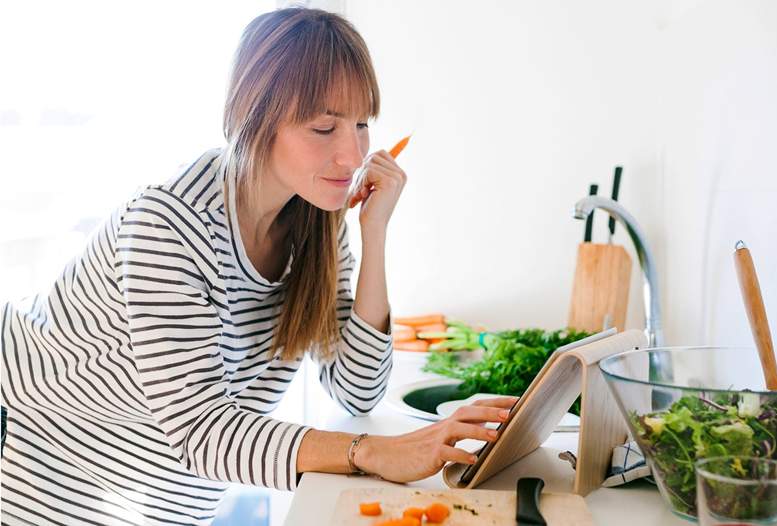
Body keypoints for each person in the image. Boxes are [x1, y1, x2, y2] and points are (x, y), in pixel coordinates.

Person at [0, 8, 514, 525]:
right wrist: (374, 450)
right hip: (35, 464)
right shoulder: (168, 225)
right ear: (255, 117)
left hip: (156, 496)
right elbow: (203, 434)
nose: (352, 153)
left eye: (361, 124)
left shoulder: (316, 216)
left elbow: (357, 387)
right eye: (323, 127)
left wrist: (373, 231)